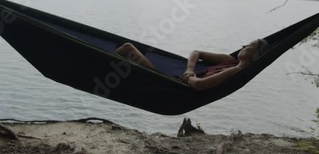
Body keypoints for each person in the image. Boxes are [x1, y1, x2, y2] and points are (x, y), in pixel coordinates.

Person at [114, 39, 269, 91]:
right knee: (131, 50)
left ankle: (101, 65)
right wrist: (189, 69)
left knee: (128, 48)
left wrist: (189, 78)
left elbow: (200, 85)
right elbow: (196, 52)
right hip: (175, 75)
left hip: (169, 83)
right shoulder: (230, 60)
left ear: (255, 55)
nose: (243, 46)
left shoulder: (236, 70)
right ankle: (105, 64)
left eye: (248, 46)